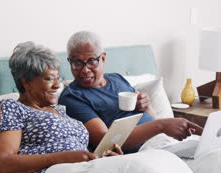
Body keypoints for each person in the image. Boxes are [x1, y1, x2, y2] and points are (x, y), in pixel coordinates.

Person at [0, 41, 122, 173]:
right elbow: (4, 164)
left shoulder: (60, 111)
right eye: (49, 79)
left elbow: (78, 154)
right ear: (26, 82)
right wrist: (62, 158)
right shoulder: (13, 108)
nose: (58, 85)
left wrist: (104, 158)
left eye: (58, 78)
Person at [58, 31, 203, 153]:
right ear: (69, 61)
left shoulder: (117, 79)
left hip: (161, 141)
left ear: (102, 58)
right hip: (141, 152)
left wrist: (147, 107)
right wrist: (162, 126)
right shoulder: (72, 98)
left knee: (218, 154)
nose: (85, 70)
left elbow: (150, 117)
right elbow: (106, 142)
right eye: (77, 63)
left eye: (91, 61)